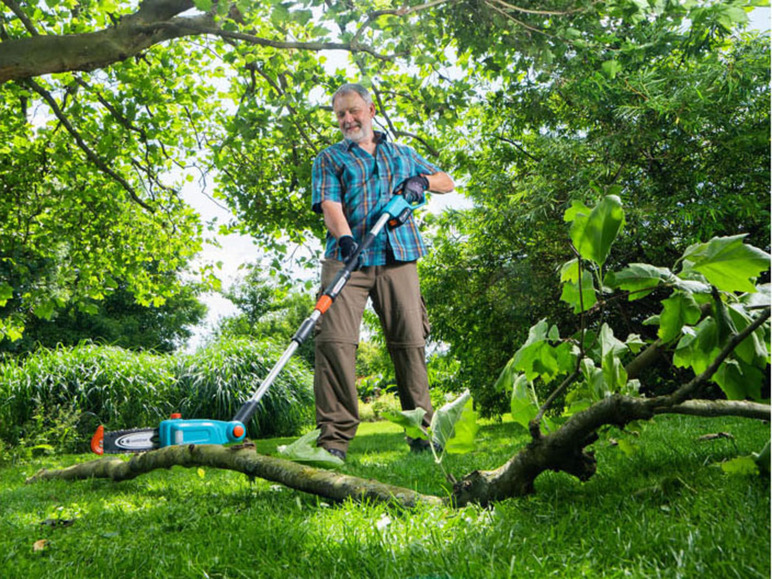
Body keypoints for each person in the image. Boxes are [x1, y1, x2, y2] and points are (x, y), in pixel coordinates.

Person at [311, 83, 455, 461]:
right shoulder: (330, 158)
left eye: (353, 111)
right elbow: (330, 203)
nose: (347, 119)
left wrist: (421, 182)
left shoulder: (403, 154)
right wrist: (344, 241)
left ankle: (422, 435)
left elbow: (447, 182)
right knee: (334, 342)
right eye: (340, 114)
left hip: (399, 256)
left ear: (371, 110)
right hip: (348, 259)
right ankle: (334, 441)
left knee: (409, 342)